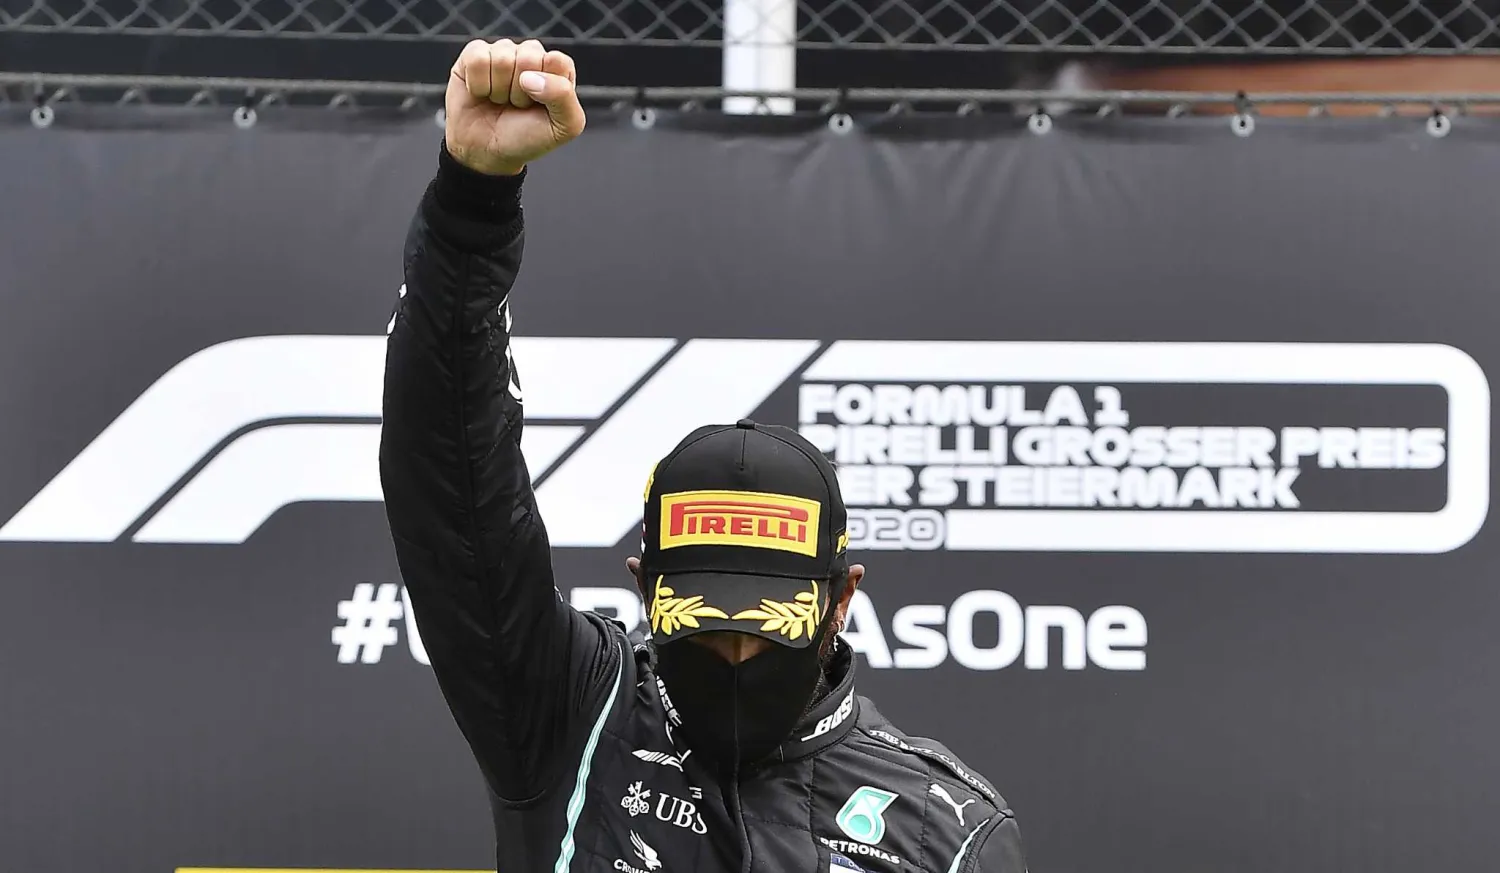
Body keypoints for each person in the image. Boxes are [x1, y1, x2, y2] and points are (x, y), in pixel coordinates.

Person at [379, 37, 1028, 873]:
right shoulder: (573, 714)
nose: (733, 659)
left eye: (765, 635)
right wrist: (473, 201)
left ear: (840, 602)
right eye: (703, 630)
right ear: (644, 585)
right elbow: (452, 485)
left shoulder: (949, 834)